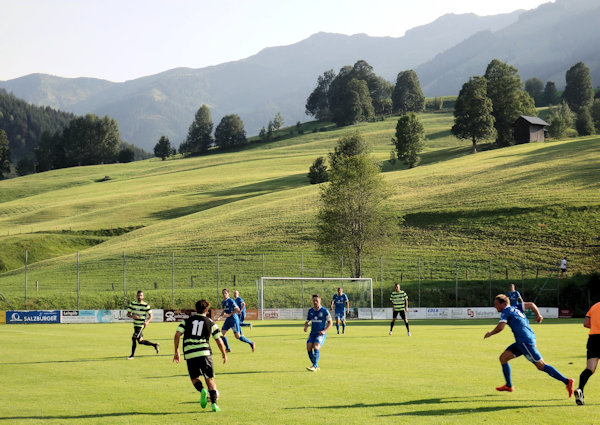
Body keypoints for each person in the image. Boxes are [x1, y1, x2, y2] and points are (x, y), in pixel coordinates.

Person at [484, 294, 573, 397]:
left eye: (496, 304)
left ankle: (567, 381)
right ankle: (509, 386)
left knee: (541, 366)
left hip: (525, 342)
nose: (495, 306)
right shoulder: (516, 307)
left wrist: (490, 333)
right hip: (523, 340)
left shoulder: (506, 311)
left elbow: (500, 327)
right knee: (503, 358)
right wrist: (538, 315)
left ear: (504, 304)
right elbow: (531, 304)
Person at [173, 299, 226, 412]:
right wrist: (223, 353)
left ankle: (202, 390)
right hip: (204, 353)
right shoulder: (210, 322)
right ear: (207, 310)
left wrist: (176, 351)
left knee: (195, 378)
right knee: (209, 379)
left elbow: (177, 335)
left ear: (195, 309)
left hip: (190, 353)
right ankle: (214, 405)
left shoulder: (187, 321)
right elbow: (219, 340)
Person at [574, 299, 600, 405]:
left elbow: (586, 323)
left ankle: (580, 389)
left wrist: (595, 327)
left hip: (593, 339)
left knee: (590, 369)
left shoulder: (594, 306)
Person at [127, 290, 159, 359]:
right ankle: (154, 345)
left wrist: (147, 322)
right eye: (138, 295)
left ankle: (132, 355)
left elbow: (151, 316)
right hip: (135, 325)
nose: (139, 297)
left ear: (143, 296)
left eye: (141, 295)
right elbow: (128, 314)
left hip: (141, 325)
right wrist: (133, 316)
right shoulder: (132, 304)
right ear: (136, 296)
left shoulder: (145, 305)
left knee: (133, 338)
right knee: (140, 341)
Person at [304, 294, 332, 371]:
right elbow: (307, 321)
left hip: (320, 333)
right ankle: (315, 365)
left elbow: (330, 323)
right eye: (314, 301)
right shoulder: (311, 311)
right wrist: (306, 326)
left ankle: (314, 366)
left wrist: (324, 331)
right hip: (312, 333)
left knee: (316, 347)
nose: (315, 302)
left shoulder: (324, 311)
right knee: (309, 348)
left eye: (317, 300)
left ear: (320, 300)